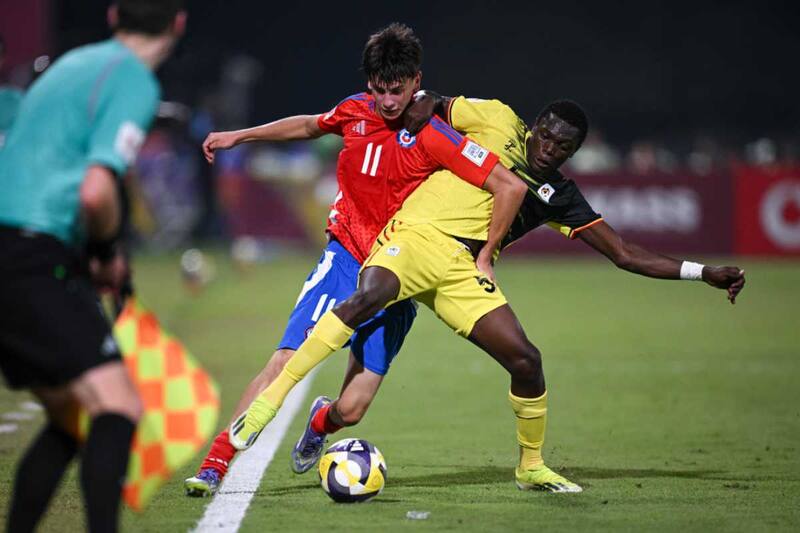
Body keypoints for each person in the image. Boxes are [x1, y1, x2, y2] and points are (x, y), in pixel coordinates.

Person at [236, 94, 747, 493]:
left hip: (464, 271)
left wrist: (703, 272)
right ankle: (267, 406)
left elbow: (625, 253)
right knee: (366, 298)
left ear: (572, 153)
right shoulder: (497, 120)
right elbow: (432, 102)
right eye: (545, 136)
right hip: (416, 236)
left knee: (526, 360)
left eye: (562, 147)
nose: (548, 148)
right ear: (535, 125)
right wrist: (414, 120)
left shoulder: (559, 195)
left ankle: (530, 466)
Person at [184, 23, 526, 496]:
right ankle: (216, 461)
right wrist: (239, 136)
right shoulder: (354, 111)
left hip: (397, 273)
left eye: (398, 90)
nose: (388, 101)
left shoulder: (435, 135)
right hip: (346, 255)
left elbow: (507, 185)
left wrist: (486, 254)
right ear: (370, 84)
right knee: (286, 360)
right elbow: (309, 124)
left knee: (353, 408)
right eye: (380, 89)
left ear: (416, 81)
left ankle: (321, 422)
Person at [0, 2, 186, 531]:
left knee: (72, 417)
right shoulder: (133, 80)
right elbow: (95, 191)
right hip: (32, 253)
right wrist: (106, 253)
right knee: (117, 407)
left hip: (14, 250)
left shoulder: (72, 65)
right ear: (178, 23)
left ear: (113, 15)